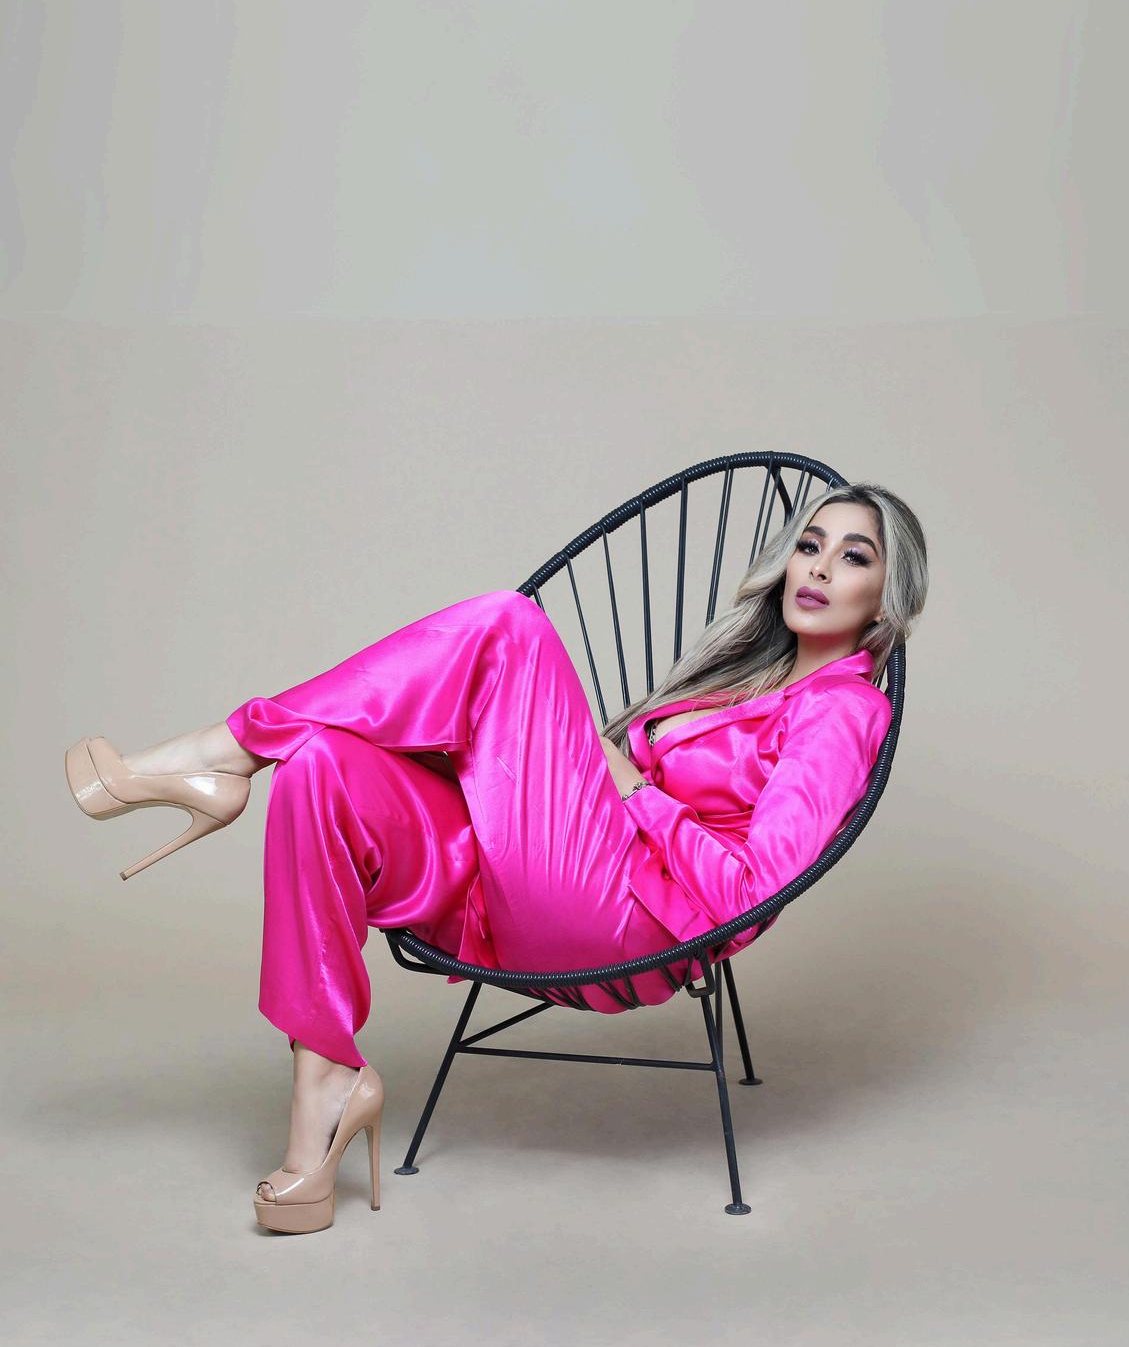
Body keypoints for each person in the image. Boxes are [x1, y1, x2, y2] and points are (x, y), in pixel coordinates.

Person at [65, 481, 927, 1234]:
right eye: (809, 545)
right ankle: (320, 1098)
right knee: (318, 769)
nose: (819, 568)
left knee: (509, 624)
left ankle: (221, 752)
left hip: (627, 922)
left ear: (886, 600)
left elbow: (753, 891)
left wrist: (636, 790)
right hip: (526, 887)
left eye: (853, 557)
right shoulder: (740, 675)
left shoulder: (840, 711)